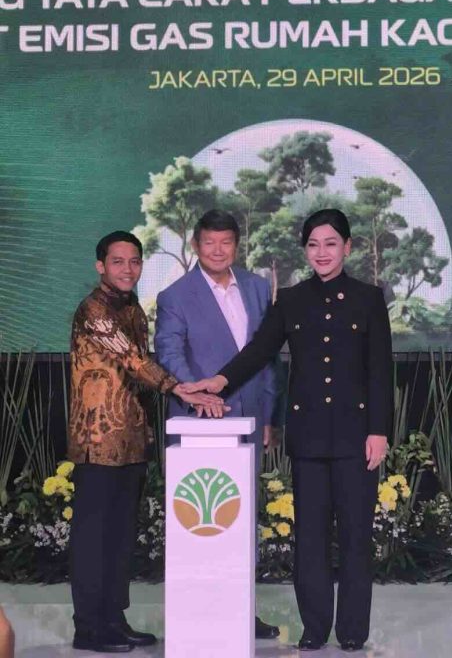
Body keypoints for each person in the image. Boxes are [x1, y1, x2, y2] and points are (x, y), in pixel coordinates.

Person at [189, 209, 393, 652]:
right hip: (308, 437)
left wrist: (378, 430)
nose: (322, 252)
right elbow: (259, 350)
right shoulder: (292, 300)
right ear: (305, 251)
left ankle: (352, 630)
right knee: (311, 539)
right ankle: (315, 627)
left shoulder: (368, 298)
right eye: (313, 245)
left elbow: (380, 370)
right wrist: (220, 380)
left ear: (347, 247)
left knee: (356, 537)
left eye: (331, 243)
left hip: (356, 436)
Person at [68, 231, 222, 654]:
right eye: (118, 261)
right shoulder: (93, 309)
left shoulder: (134, 307)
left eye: (134, 261)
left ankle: (113, 620)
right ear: (100, 266)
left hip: (132, 441)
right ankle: (88, 628)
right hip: (97, 443)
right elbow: (133, 360)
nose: (128, 269)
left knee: (120, 538)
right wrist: (180, 388)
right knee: (93, 539)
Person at [154, 208, 282, 641]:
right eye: (209, 242)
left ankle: (243, 610)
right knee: (201, 523)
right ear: (195, 245)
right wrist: (195, 392)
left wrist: (268, 415)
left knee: (243, 519)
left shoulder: (257, 287)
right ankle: (198, 612)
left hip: (248, 418)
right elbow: (169, 352)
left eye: (226, 242)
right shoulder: (174, 296)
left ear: (237, 245)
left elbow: (266, 356)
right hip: (198, 421)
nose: (217, 250)